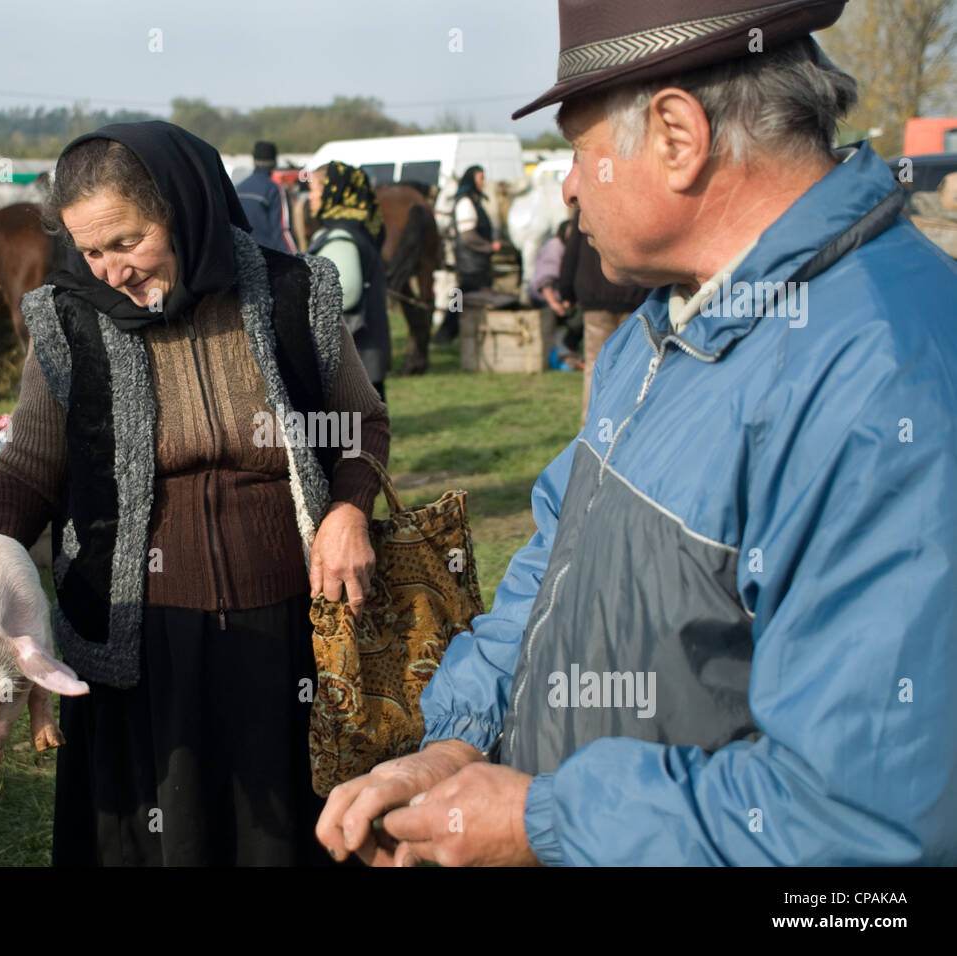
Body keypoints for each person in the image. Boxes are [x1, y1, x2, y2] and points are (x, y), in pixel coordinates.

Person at [317, 0, 957, 867]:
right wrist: (459, 743)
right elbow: (560, 552)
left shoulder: (881, 378)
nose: (570, 186)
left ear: (676, 136)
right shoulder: (673, 320)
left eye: (579, 151)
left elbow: (866, 828)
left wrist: (542, 824)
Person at [0, 121, 390, 866]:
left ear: (185, 208)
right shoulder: (69, 322)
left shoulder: (295, 294)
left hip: (288, 632)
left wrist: (349, 508)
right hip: (141, 644)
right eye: (91, 250)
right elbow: (28, 467)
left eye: (128, 241)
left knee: (285, 836)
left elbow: (359, 424)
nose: (111, 271)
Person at [305, 161, 391, 401]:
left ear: (334, 192)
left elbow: (346, 294)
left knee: (355, 433)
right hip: (363, 353)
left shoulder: (341, 239)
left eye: (314, 190)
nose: (310, 198)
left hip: (352, 358)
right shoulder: (357, 230)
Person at [558, 207, 648, 420]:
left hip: (597, 296)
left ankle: (591, 430)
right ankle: (624, 431)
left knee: (595, 367)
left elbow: (572, 252)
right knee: (632, 368)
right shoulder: (636, 193)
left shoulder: (589, 199)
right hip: (633, 294)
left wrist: (566, 290)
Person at [434, 165, 501, 344]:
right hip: (470, 261)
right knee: (461, 298)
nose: (483, 182)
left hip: (475, 261)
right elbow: (467, 236)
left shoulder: (474, 200)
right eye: (480, 177)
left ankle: (452, 333)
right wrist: (489, 247)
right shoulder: (466, 202)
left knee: (462, 297)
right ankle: (446, 333)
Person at [527, 219, 582, 371]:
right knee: (576, 321)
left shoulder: (568, 248)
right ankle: (563, 351)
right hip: (545, 298)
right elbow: (545, 279)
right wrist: (553, 303)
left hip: (562, 297)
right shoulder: (555, 247)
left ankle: (566, 351)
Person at [236, 140, 297, 253]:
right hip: (266, 259)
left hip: (240, 256)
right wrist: (297, 259)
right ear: (275, 162)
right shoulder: (274, 190)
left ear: (254, 160)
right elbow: (282, 231)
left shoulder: (238, 188)